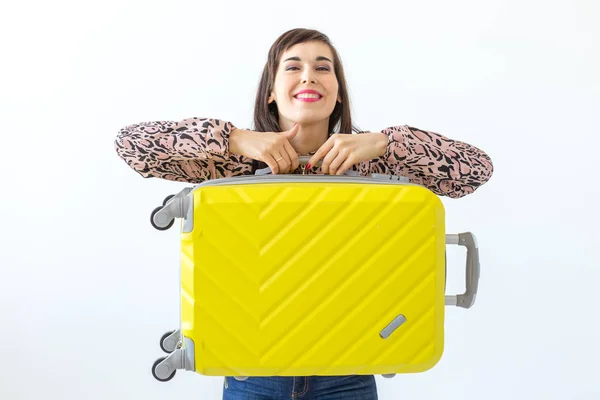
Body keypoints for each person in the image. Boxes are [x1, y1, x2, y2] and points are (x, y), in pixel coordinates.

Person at [115, 28, 493, 399]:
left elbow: (475, 170)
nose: (309, 75)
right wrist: (235, 139)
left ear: (338, 93)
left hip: (350, 373)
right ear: (270, 93)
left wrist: (385, 143)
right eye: (293, 67)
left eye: (323, 67)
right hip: (252, 375)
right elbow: (131, 145)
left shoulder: (374, 169)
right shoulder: (234, 166)